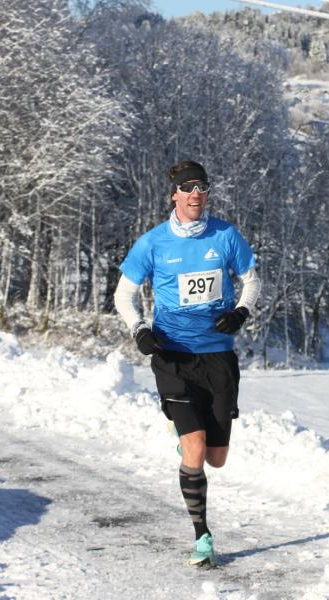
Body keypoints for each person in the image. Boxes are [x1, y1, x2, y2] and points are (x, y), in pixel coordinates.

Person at [113, 160, 260, 567]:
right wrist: (140, 330)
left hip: (217, 356)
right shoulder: (153, 243)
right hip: (173, 355)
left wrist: (241, 312)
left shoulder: (226, 236)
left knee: (216, 457)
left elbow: (252, 279)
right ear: (174, 195)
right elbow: (123, 296)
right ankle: (202, 536)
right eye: (188, 187)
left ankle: (187, 433)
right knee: (194, 449)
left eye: (202, 187)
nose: (196, 193)